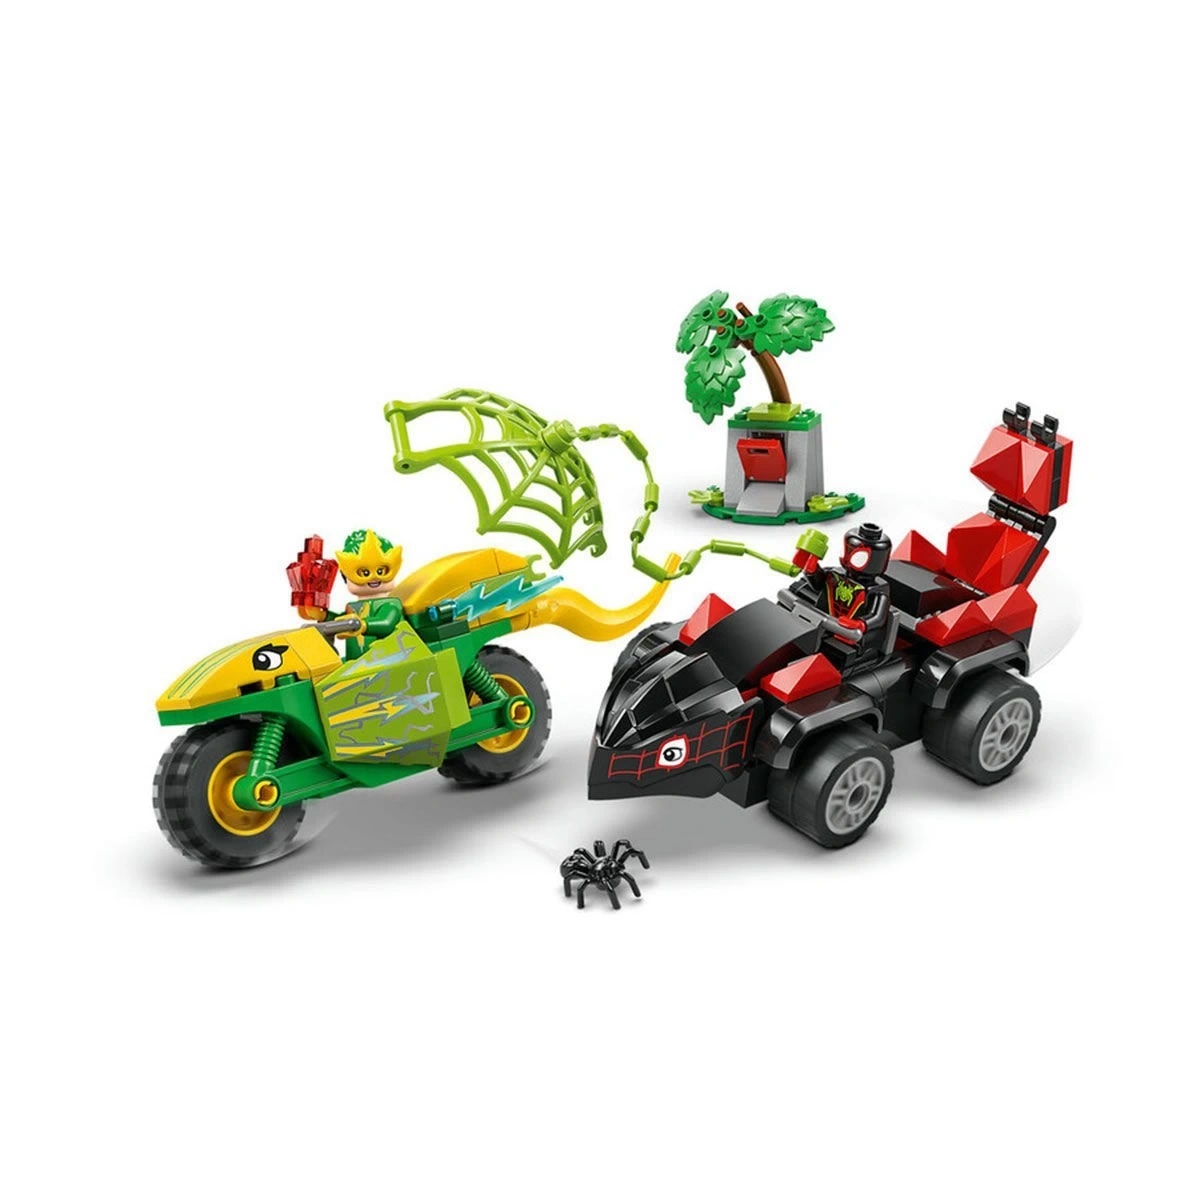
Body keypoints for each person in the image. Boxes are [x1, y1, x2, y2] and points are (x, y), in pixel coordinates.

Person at [287, 529, 406, 660]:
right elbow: (340, 621)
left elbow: (387, 623)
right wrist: (323, 616)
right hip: (358, 662)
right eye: (364, 573)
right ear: (345, 577)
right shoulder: (353, 607)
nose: (374, 577)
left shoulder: (390, 604)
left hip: (388, 659)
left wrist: (362, 625)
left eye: (381, 571)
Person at [789, 522, 893, 661]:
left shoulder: (877, 591)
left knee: (837, 655)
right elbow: (818, 584)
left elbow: (877, 617)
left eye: (857, 556)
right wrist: (811, 570)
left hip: (851, 638)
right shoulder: (834, 575)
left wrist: (860, 624)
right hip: (821, 625)